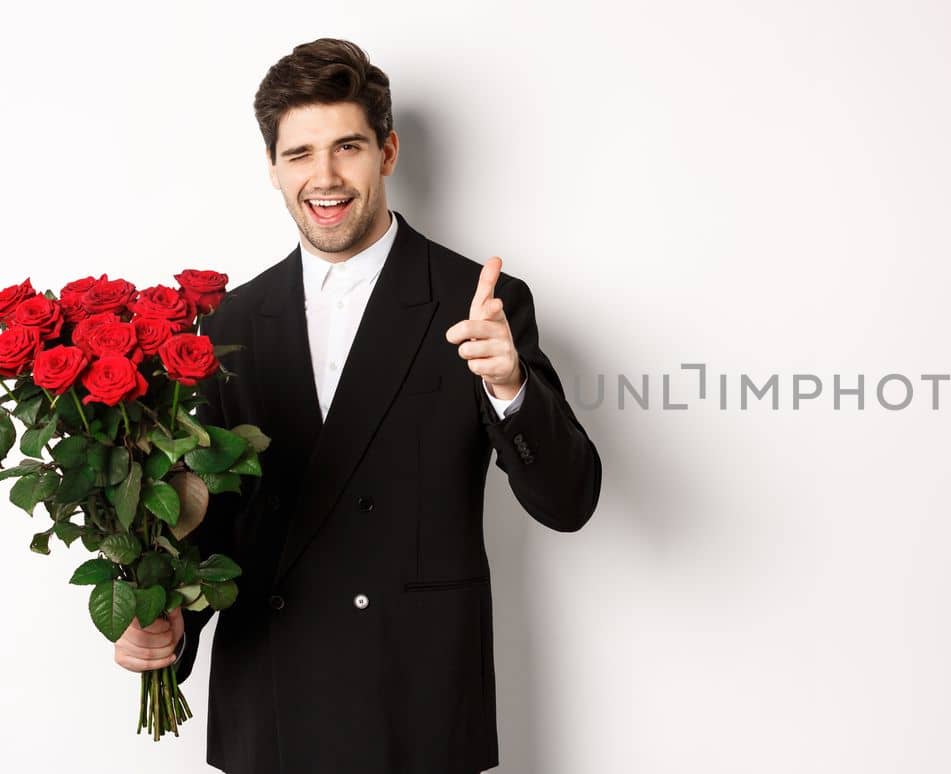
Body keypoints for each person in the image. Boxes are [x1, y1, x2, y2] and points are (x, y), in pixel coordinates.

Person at [109, 38, 602, 773]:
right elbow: (210, 524)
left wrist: (510, 390)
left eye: (348, 147)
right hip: (271, 701)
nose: (326, 176)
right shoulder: (231, 324)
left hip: (416, 706)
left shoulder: (478, 302)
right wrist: (167, 631)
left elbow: (568, 501)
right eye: (300, 153)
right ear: (273, 169)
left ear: (389, 152)